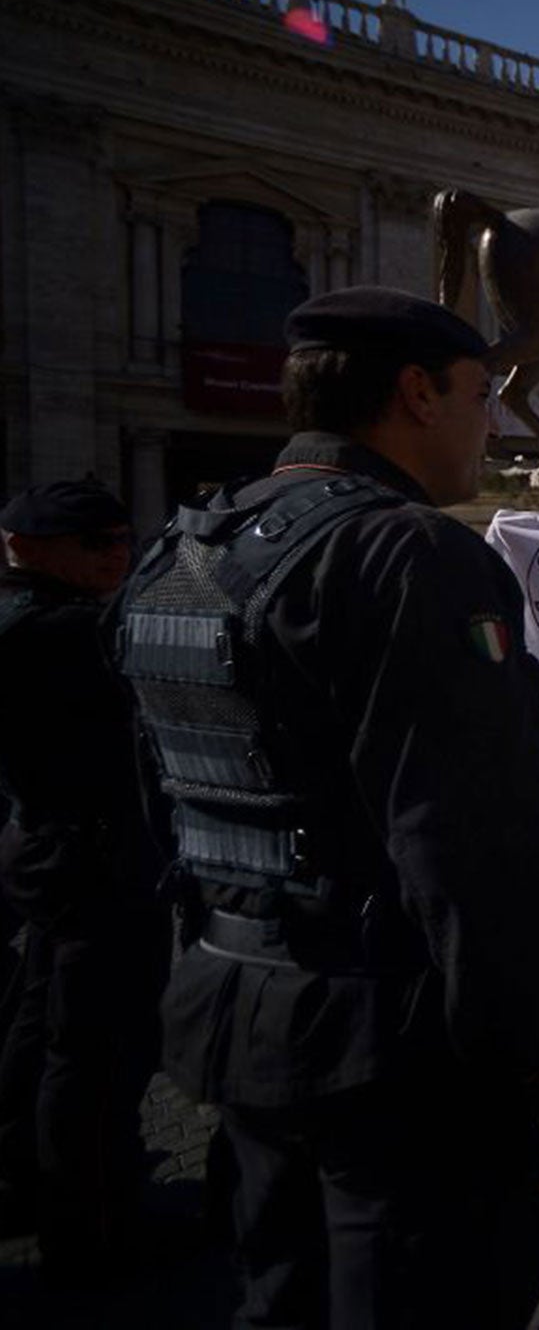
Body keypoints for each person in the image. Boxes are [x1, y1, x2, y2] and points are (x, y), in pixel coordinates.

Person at [118, 287, 539, 1327]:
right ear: (416, 393)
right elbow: (477, 851)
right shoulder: (408, 556)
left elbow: (155, 802)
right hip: (390, 1055)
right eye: (484, 394)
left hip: (232, 1011)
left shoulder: (178, 550)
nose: (493, 421)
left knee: (279, 1298)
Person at [0, 480, 170, 1281]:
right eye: (96, 544)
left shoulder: (34, 617)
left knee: (41, 1028)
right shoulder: (57, 632)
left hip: (51, 849)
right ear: (28, 548)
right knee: (98, 1048)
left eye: (121, 538)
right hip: (89, 856)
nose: (118, 554)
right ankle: (97, 1219)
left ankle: (36, 1178)